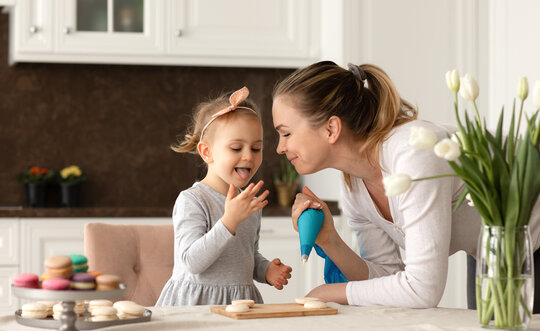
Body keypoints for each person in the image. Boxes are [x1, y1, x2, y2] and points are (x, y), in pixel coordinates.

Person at [271, 61, 540, 308]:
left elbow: (423, 289)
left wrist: (329, 292)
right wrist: (331, 242)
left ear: (331, 129)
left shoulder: (413, 154)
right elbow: (388, 279)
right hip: (493, 251)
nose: (280, 148)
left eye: (286, 133)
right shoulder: (354, 186)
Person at [156, 86, 292, 306]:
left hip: (240, 304)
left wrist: (265, 269)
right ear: (207, 152)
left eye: (256, 148)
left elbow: (245, 255)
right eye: (236, 148)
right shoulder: (193, 200)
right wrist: (229, 221)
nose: (248, 156)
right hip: (196, 307)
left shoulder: (246, 203)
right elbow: (192, 262)